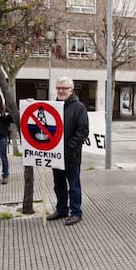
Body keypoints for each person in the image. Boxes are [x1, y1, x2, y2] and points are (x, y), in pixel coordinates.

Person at [47, 77, 89, 226]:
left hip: (71, 155)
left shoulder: (79, 107)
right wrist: (30, 105)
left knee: (74, 186)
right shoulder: (53, 106)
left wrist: (67, 148)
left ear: (71, 90)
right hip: (55, 155)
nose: (61, 90)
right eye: (58, 87)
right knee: (58, 185)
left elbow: (83, 131)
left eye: (64, 88)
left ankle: (76, 212)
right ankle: (61, 209)